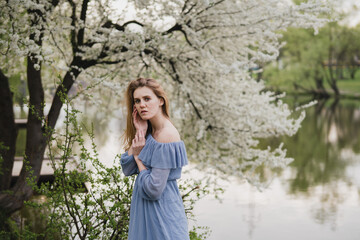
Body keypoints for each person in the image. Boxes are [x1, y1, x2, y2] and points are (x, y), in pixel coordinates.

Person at [120, 78, 190, 240]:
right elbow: (127, 169)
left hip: (163, 216)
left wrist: (139, 158)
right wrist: (140, 132)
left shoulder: (167, 135)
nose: (141, 105)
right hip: (145, 212)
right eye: (137, 101)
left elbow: (153, 189)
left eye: (147, 99)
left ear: (160, 101)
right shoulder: (149, 130)